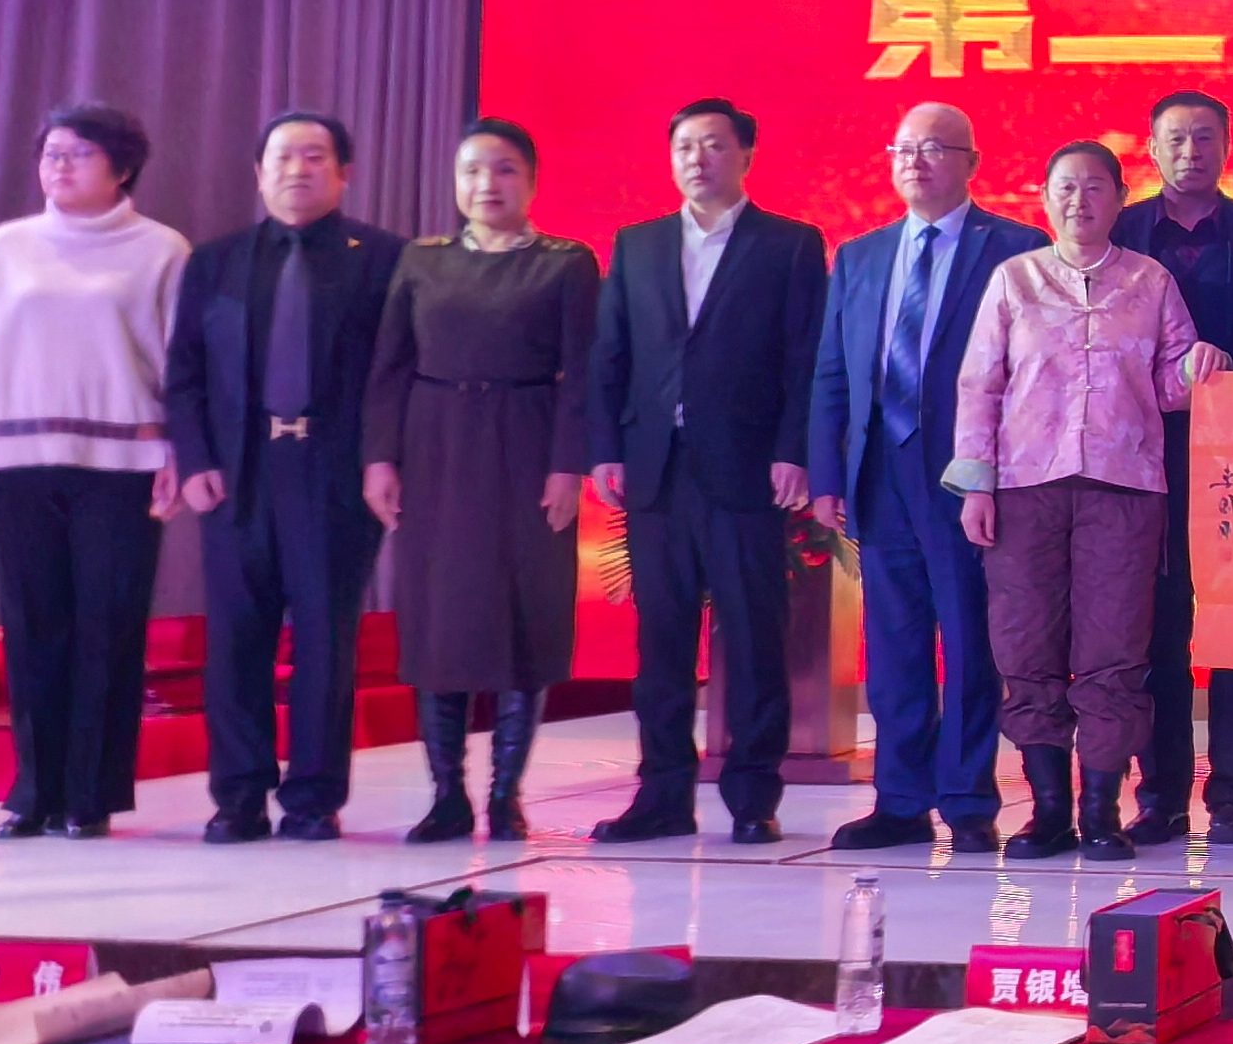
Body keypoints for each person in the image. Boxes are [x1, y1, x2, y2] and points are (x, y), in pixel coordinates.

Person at [0, 103, 188, 840]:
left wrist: (180, 451)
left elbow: (182, 363)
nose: (59, 166)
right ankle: (34, 791)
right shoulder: (10, 246)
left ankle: (90, 796)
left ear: (122, 169)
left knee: (109, 626)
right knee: (33, 628)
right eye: (51, 153)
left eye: (79, 154)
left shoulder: (161, 249)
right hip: (17, 463)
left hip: (121, 467)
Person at [950, 141, 1209, 863]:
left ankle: (1100, 812)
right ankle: (1047, 811)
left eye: (1096, 187)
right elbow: (980, 385)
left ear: (1121, 198)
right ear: (1044, 197)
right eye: (1065, 187)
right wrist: (975, 484)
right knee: (1025, 645)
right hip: (1024, 488)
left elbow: (1170, 385)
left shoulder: (1151, 281)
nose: (1079, 201)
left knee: (1114, 650)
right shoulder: (1015, 279)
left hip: (1124, 489)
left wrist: (1199, 367)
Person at [585, 98, 827, 847]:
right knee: (661, 640)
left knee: (754, 635)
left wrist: (795, 450)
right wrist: (605, 447)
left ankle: (753, 796)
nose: (698, 158)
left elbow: (805, 358)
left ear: (746, 155)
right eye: (685, 146)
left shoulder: (789, 245)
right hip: (657, 470)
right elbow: (611, 354)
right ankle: (661, 794)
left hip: (747, 470)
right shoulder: (638, 244)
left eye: (714, 145)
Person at [809, 101, 1043, 854]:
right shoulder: (861, 256)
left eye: (935, 148)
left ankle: (969, 801)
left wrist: (1000, 474)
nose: (915, 161)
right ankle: (900, 800)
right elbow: (834, 373)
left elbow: (1029, 376)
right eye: (903, 148)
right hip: (880, 469)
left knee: (971, 640)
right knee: (895, 642)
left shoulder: (1016, 249)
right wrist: (827, 473)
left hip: (967, 475)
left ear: (971, 163)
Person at [165, 112, 402, 844]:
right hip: (238, 473)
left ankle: (313, 799)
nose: (297, 169)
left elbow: (395, 375)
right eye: (282, 157)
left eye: (314, 157)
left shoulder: (384, 259)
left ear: (344, 173)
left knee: (326, 641)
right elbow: (184, 373)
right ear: (259, 173)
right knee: (237, 642)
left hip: (336, 474)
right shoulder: (216, 261)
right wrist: (195, 461)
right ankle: (238, 796)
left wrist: (383, 458)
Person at [363, 120, 599, 844]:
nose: (486, 184)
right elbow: (389, 367)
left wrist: (568, 466)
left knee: (526, 615)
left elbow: (583, 376)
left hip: (527, 443)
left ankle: (505, 796)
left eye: (503, 170)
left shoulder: (565, 264)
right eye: (471, 171)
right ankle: (446, 796)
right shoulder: (423, 260)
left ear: (531, 181)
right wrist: (380, 459)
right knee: (439, 621)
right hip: (436, 447)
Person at [1115, 89, 1233, 847]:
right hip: (1146, 455)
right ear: (1152, 149)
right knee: (1157, 625)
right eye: (1175, 138)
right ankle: (1161, 793)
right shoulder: (1119, 231)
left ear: (1227, 145)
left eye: (1204, 137)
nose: (1190, 151)